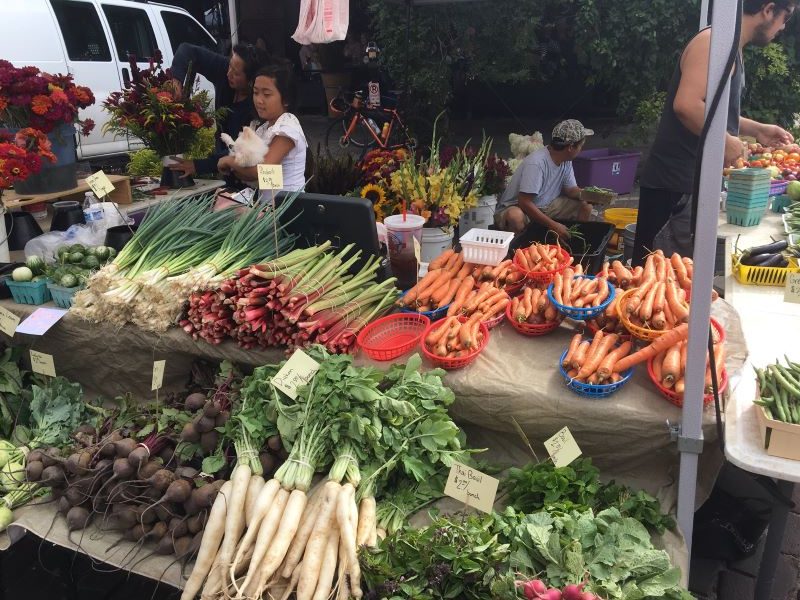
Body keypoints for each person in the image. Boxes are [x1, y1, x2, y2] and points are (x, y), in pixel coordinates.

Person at [633, 0, 797, 265]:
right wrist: (726, 141)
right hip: (675, 190)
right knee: (657, 283)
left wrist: (756, 129)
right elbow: (687, 105)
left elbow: (711, 108)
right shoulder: (714, 42)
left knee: (679, 283)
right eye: (785, 16)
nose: (783, 27)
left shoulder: (730, 46)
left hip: (689, 188)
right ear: (768, 9)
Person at [167, 42, 272, 183]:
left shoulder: (260, 112)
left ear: (251, 81)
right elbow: (187, 51)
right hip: (228, 167)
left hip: (247, 173)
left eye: (236, 73)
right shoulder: (225, 70)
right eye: (230, 65)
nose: (229, 73)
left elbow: (242, 150)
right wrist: (177, 80)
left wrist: (198, 166)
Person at [215, 61, 308, 207]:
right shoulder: (264, 128)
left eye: (266, 94)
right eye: (256, 92)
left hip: (288, 210)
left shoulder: (287, 127)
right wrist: (239, 167)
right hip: (269, 208)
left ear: (286, 99)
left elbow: (263, 171)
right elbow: (263, 177)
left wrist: (229, 161)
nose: (259, 100)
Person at [494, 119, 593, 238]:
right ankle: (516, 249)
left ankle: (575, 242)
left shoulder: (566, 160)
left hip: (547, 205)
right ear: (571, 147)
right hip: (520, 208)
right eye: (581, 145)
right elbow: (524, 202)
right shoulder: (537, 163)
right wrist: (554, 225)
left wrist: (591, 195)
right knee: (515, 216)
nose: (581, 149)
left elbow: (571, 190)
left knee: (586, 206)